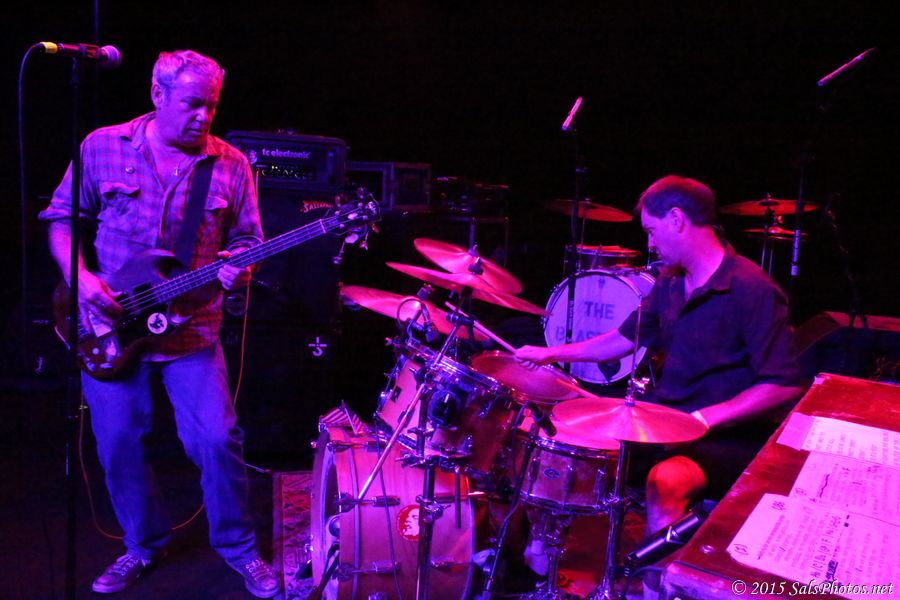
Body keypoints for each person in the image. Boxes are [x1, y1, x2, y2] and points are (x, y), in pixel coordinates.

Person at [39, 50, 281, 598]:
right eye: (192, 104)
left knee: (217, 440)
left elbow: (249, 240)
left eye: (211, 106)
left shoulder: (231, 165)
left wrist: (238, 269)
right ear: (157, 94)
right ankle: (142, 544)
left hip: (192, 328)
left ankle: (240, 549)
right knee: (118, 444)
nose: (203, 117)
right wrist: (81, 280)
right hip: (106, 325)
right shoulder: (102, 146)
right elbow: (60, 219)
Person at [516, 175, 808, 540]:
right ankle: (536, 554)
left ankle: (659, 575)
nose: (650, 244)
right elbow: (621, 339)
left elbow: (782, 385)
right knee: (559, 442)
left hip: (728, 436)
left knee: (665, 480)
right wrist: (550, 354)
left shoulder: (752, 288)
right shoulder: (670, 282)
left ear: (677, 219)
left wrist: (704, 419)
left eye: (651, 231)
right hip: (668, 421)